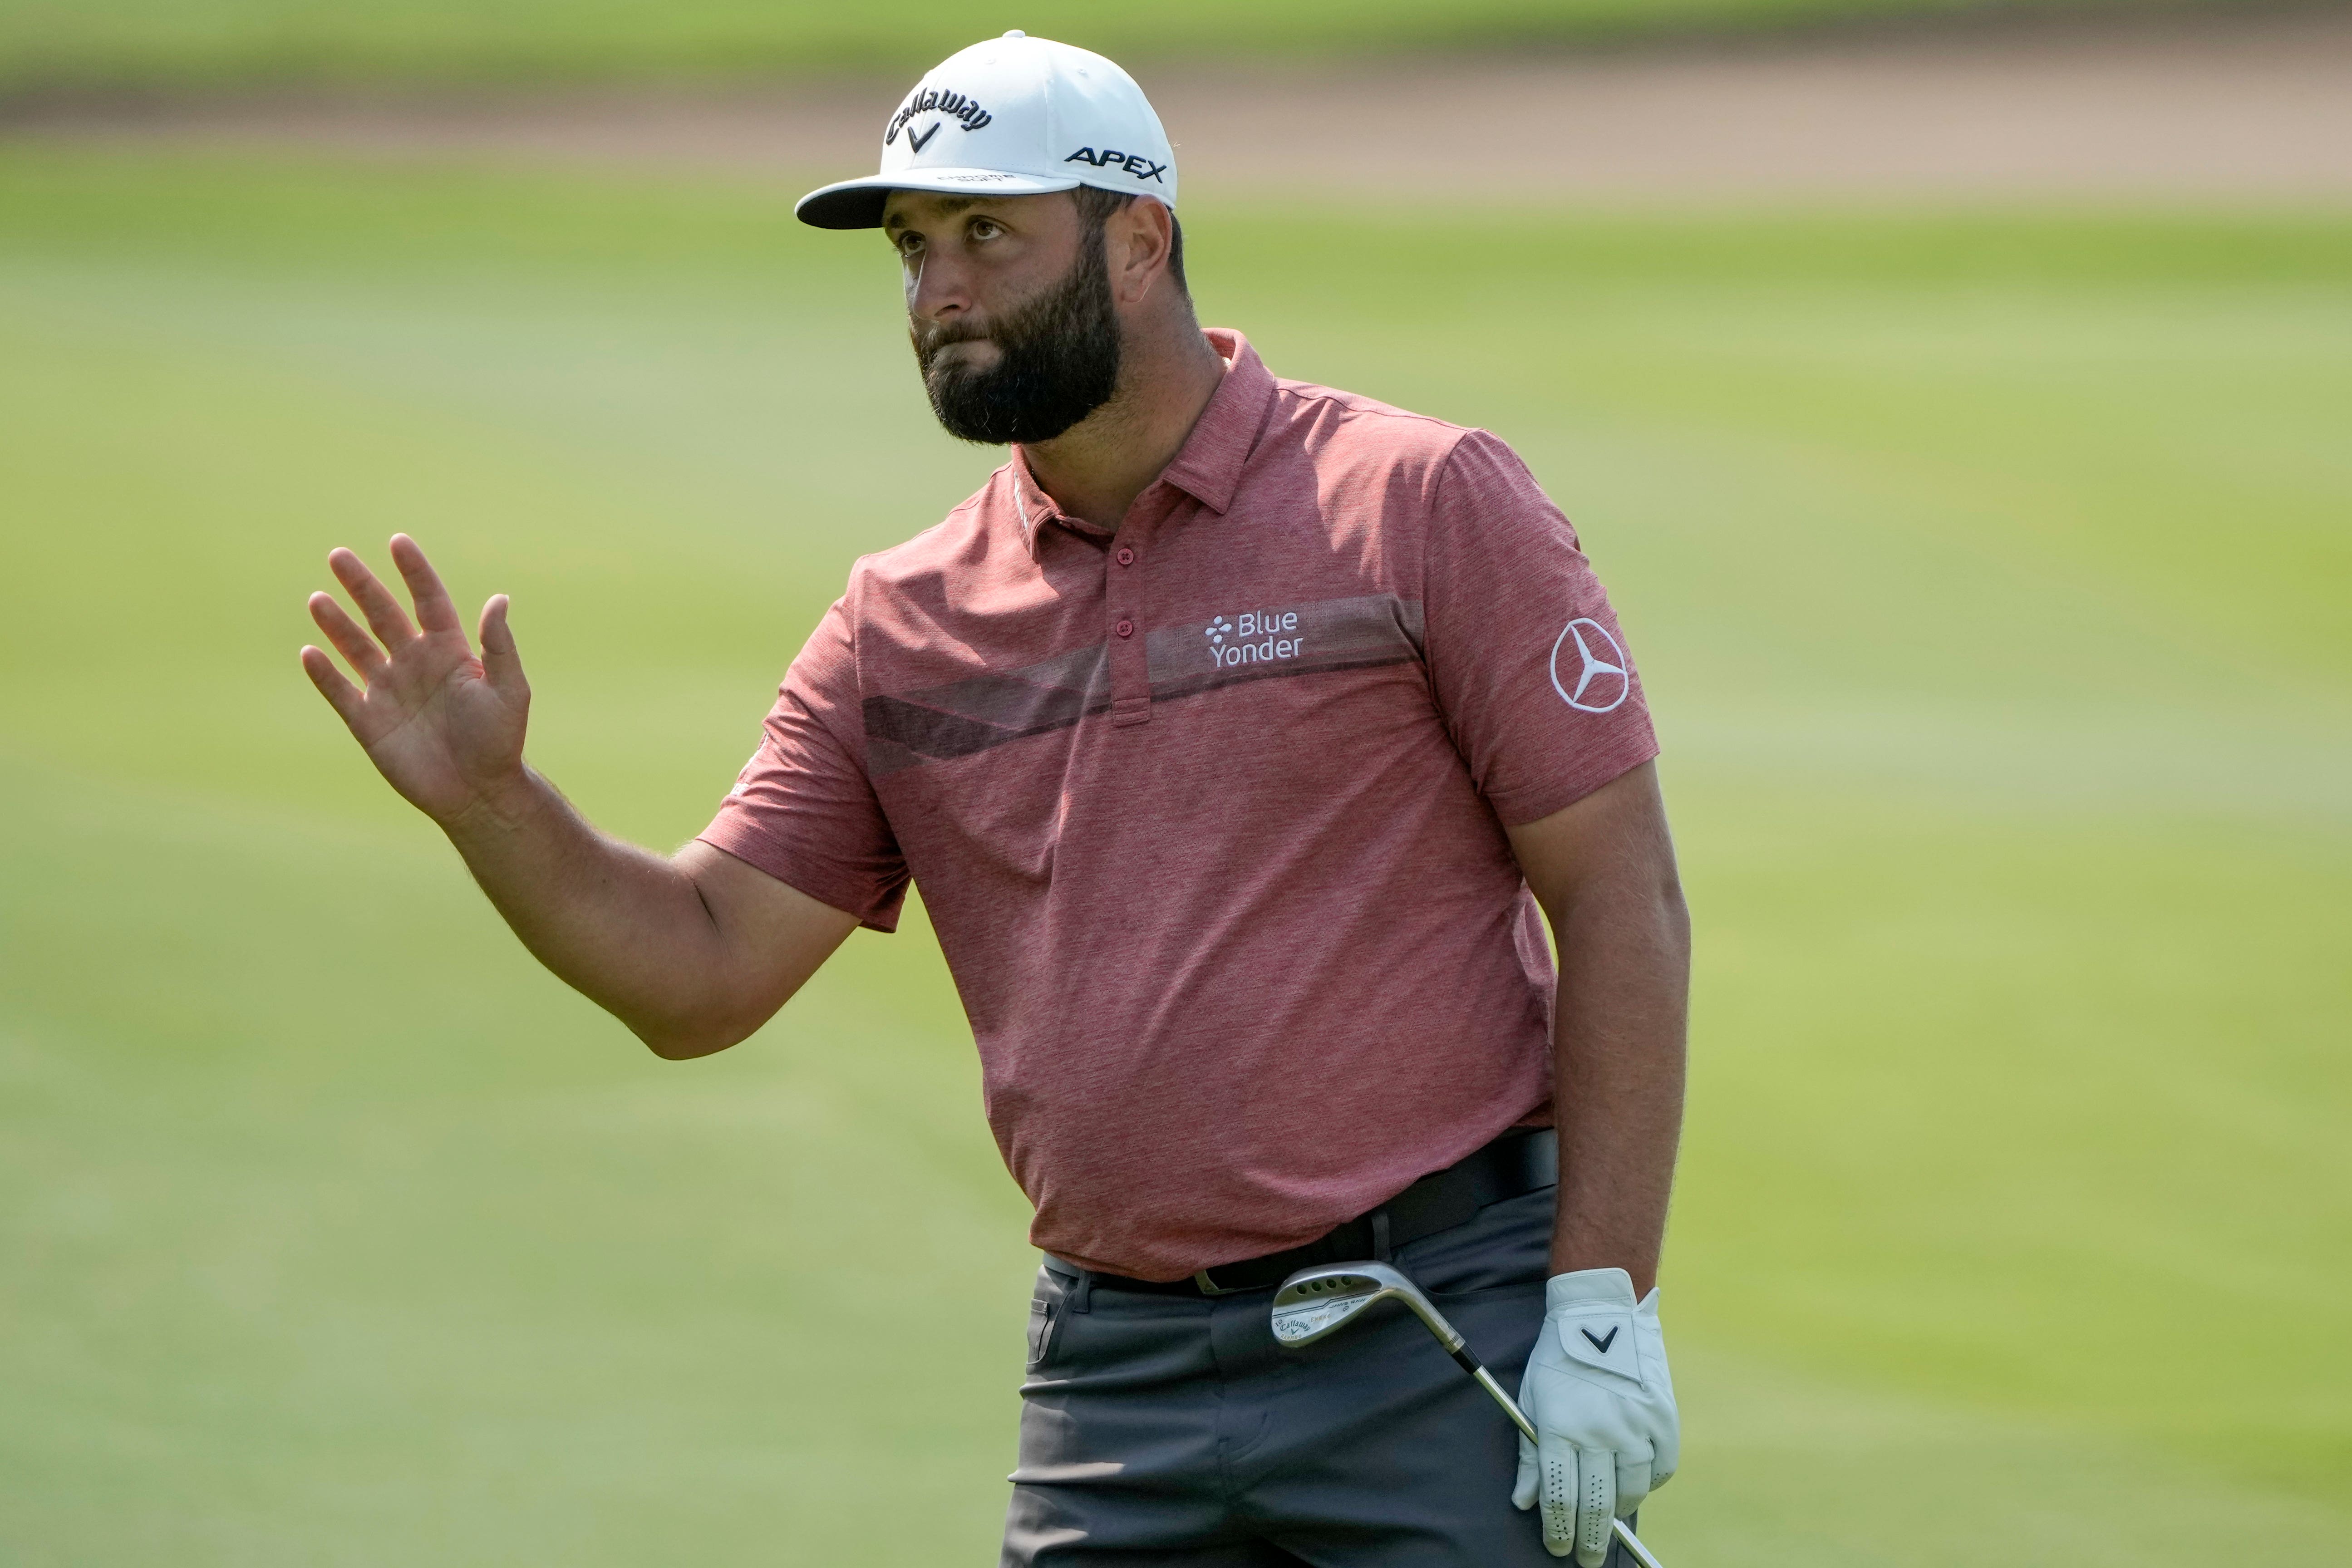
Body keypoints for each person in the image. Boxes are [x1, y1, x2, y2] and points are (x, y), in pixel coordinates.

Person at [299, 32, 1688, 1568]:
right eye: (909, 249)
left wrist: (1600, 1307)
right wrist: (494, 807)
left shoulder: (1415, 503)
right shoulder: (902, 620)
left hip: (1426, 1329)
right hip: (1114, 1388)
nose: (937, 290)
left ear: (1138, 239)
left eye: (984, 235)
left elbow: (1622, 897)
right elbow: (698, 972)